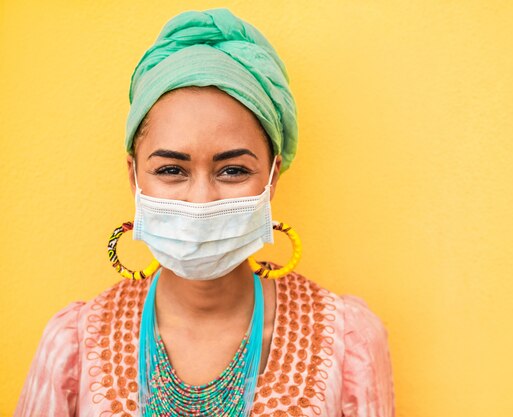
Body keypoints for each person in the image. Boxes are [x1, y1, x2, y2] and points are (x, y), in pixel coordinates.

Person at [15, 8, 394, 417]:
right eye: (171, 170)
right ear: (134, 177)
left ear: (272, 178)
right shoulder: (71, 346)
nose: (200, 200)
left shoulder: (346, 343)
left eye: (232, 170)